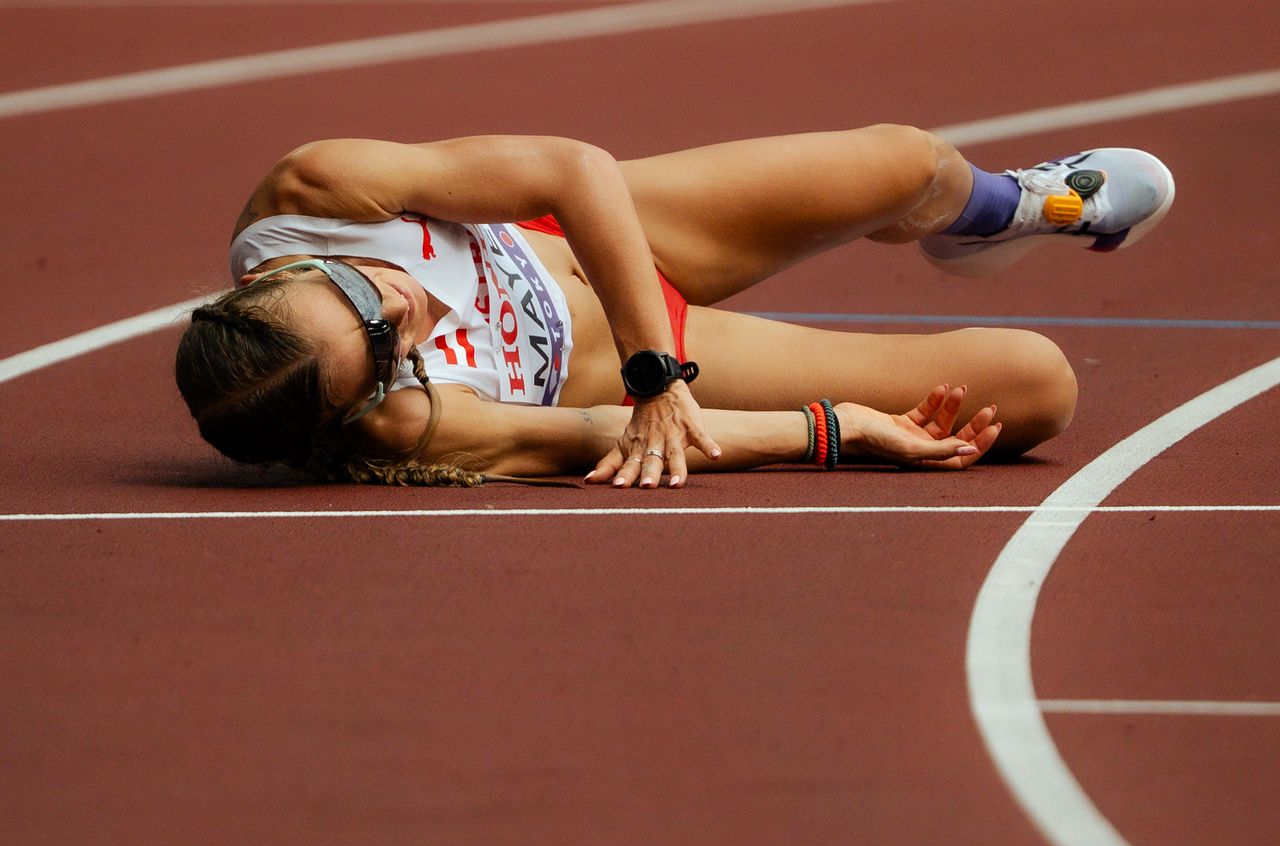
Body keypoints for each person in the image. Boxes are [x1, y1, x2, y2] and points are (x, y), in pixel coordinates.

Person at [175, 127, 1175, 488]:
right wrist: (839, 432)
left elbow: (571, 170)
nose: (411, 313)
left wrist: (659, 367)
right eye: (392, 352)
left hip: (602, 239)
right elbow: (604, 434)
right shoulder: (389, 420)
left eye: (365, 295)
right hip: (636, 368)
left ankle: (999, 212)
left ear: (272, 278)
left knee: (907, 164)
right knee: (1034, 388)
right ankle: (976, 237)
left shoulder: (310, 194)